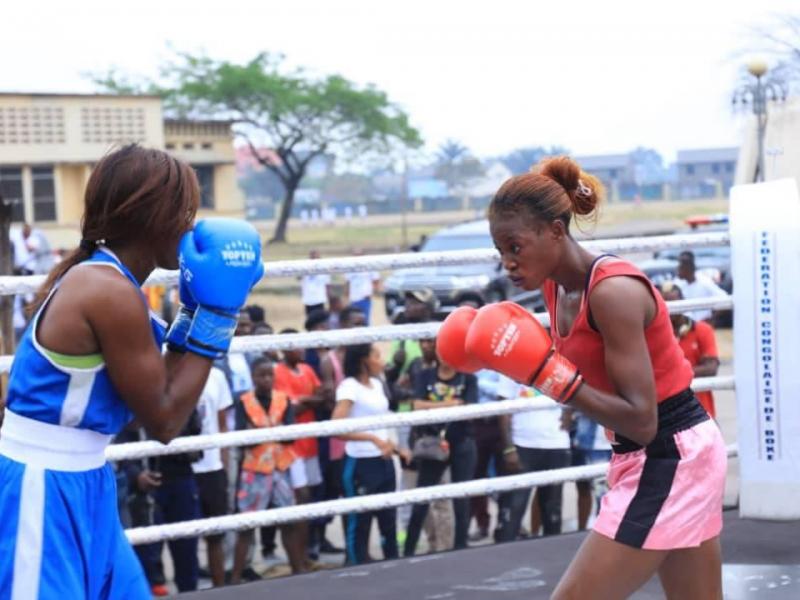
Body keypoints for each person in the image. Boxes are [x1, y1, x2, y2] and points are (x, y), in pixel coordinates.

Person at [437, 156, 727, 599]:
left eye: (515, 247)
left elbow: (642, 419)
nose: (508, 263)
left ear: (556, 230)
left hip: (668, 453)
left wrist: (548, 376)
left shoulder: (612, 292)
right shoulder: (555, 287)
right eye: (500, 251)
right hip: (648, 453)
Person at [0, 144, 264, 598]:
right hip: (42, 481)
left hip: (86, 476)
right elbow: (164, 420)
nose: (191, 225)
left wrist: (195, 313)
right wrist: (218, 315)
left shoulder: (109, 280)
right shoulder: (106, 290)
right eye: (185, 210)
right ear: (155, 216)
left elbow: (154, 391)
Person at [332, 343, 410, 565]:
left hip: (384, 462)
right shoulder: (349, 387)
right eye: (377, 356)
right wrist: (372, 439)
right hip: (360, 462)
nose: (382, 361)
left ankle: (394, 567)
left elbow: (382, 421)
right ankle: (355, 571)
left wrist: (394, 447)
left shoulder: (377, 384)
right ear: (363, 361)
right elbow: (336, 427)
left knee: (388, 519)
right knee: (360, 523)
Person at [231, 358, 307, 582]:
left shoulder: (284, 400)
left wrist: (260, 431)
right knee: (246, 524)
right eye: (261, 375)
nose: (266, 379)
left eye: (269, 375)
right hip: (254, 469)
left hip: (280, 467)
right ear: (253, 377)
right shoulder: (244, 401)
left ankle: (297, 570)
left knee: (288, 521)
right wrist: (273, 431)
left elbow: (291, 436)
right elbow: (241, 436)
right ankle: (235, 577)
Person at [403, 353, 478, 556]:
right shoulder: (425, 375)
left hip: (462, 441)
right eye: (443, 351)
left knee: (462, 498)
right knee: (422, 497)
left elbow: (469, 408)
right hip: (432, 442)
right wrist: (451, 405)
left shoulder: (468, 377)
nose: (446, 356)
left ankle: (461, 547)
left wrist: (433, 406)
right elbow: (416, 405)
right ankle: (409, 549)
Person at [493, 375, 571, 541]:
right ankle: (501, 557)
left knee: (552, 510)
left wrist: (569, 413)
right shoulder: (510, 362)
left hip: (556, 444)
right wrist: (508, 448)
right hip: (522, 444)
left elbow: (576, 390)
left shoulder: (562, 361)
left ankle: (552, 561)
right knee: (513, 508)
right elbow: (502, 408)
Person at [273, 330, 326, 563]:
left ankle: (305, 554)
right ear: (285, 349)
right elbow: (288, 410)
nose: (302, 350)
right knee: (299, 500)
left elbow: (322, 397)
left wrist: (303, 401)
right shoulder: (278, 372)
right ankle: (298, 558)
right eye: (296, 346)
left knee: (309, 498)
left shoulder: (308, 370)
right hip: (291, 448)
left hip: (310, 443)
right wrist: (306, 401)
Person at [191, 366, 234, 588]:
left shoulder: (216, 375)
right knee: (183, 538)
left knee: (216, 535)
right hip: (180, 468)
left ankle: (220, 589)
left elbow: (223, 424)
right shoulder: (167, 365)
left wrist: (223, 466)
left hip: (212, 467)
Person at [661, 284, 720, 418]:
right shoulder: (654, 336)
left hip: (701, 411)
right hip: (668, 415)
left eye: (674, 303)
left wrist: (672, 375)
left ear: (683, 303)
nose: (671, 309)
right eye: (666, 304)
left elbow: (711, 368)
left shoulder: (702, 330)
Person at [674, 251, 728, 323]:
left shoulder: (704, 282)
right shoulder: (677, 283)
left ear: (688, 268)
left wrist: (712, 319)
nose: (677, 269)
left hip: (702, 325)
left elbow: (725, 299)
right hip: (684, 327)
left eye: (680, 267)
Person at [343, 249, 381, 325]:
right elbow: (347, 283)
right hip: (354, 299)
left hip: (364, 298)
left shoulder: (369, 266)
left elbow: (376, 280)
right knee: (353, 321)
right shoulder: (349, 268)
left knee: (365, 320)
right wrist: (346, 297)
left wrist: (372, 292)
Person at [300, 249, 331, 315]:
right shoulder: (304, 267)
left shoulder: (324, 268)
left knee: (320, 320)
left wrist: (328, 299)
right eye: (312, 255)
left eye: (315, 255)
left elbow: (327, 286)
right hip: (308, 300)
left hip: (319, 299)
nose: (314, 257)